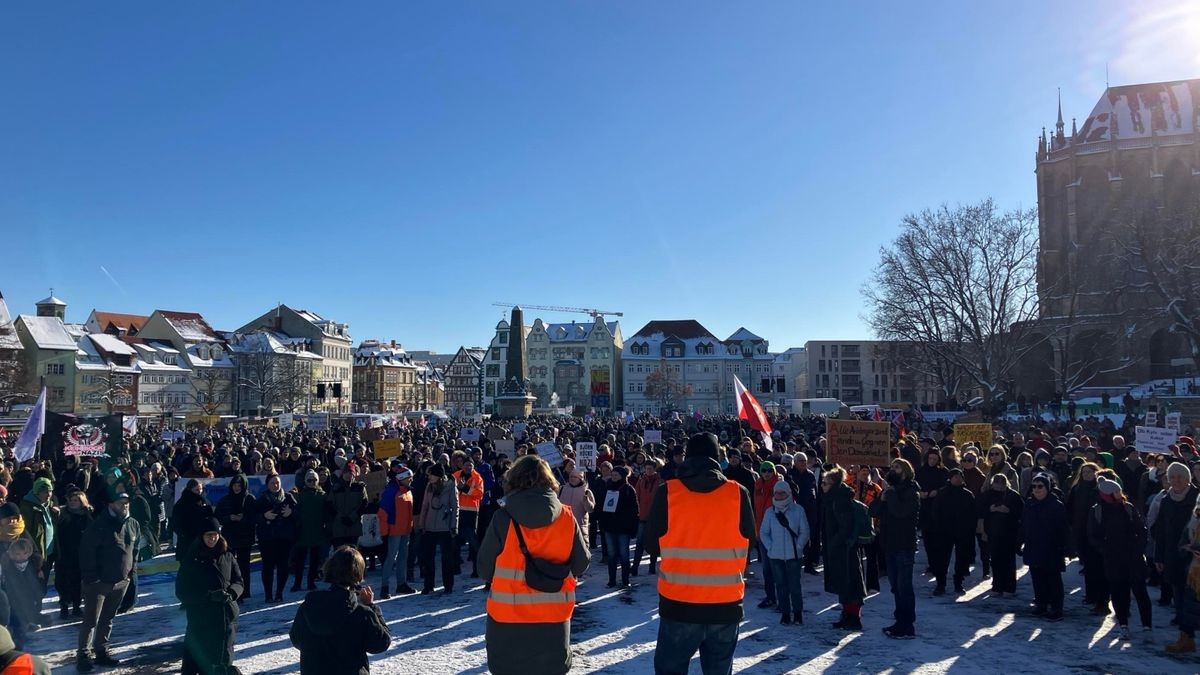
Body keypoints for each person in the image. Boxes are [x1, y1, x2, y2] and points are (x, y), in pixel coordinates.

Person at [645, 433, 755, 675]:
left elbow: (650, 546)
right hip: (726, 605)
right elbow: (751, 542)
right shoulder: (738, 493)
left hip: (679, 604)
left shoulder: (668, 492)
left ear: (688, 458)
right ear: (718, 459)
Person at [477, 455, 590, 675]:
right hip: (553, 617)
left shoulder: (503, 517)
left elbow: (484, 569)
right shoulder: (566, 517)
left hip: (508, 617)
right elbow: (581, 564)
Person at [289, 545, 391, 675]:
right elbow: (381, 643)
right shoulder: (361, 613)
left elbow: (296, 639)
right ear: (358, 574)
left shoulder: (309, 606)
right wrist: (372, 607)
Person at [76, 492, 139, 673]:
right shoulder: (99, 525)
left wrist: (130, 573)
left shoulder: (133, 524)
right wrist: (92, 577)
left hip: (121, 581)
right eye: (121, 503)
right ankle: (83, 655)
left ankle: (101, 650)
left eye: (127, 503)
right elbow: (86, 553)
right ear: (111, 505)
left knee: (108, 619)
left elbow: (134, 551)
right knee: (90, 620)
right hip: (98, 583)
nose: (125, 506)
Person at [175, 518, 242, 675]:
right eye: (208, 535)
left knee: (224, 659)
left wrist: (232, 593)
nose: (212, 538)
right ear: (201, 537)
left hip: (226, 617)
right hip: (201, 619)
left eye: (215, 535)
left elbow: (239, 581)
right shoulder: (191, 559)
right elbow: (182, 591)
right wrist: (209, 596)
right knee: (199, 660)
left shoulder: (227, 556)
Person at [1089, 477, 1152, 639]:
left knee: (1141, 593)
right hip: (1113, 559)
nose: (1119, 494)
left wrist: (1138, 549)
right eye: (1115, 491)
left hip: (1134, 557)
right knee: (1118, 593)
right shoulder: (1097, 510)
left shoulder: (1128, 508)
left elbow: (1142, 530)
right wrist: (1105, 550)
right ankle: (1123, 624)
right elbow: (1094, 535)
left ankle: (1147, 626)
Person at [871, 458, 920, 639]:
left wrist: (889, 496)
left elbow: (900, 512)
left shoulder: (911, 491)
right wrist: (882, 498)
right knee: (895, 587)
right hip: (889, 544)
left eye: (897, 467)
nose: (893, 469)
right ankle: (901, 620)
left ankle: (907, 625)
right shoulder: (890, 491)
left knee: (904, 586)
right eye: (892, 467)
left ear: (906, 471)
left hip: (904, 544)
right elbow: (873, 511)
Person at [1155, 463, 1199, 643]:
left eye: (1180, 476)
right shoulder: (1166, 499)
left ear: (1187, 478)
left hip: (1194, 556)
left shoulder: (1197, 497)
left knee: (1193, 596)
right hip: (1172, 553)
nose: (1176, 480)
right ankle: (1185, 634)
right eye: (1172, 477)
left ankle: (1188, 629)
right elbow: (1160, 531)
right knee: (1178, 593)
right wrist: (1158, 556)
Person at [760, 480, 809, 625]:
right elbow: (764, 532)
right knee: (781, 586)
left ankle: (798, 613)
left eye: (782, 493)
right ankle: (785, 613)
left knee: (795, 586)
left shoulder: (798, 510)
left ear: (788, 493)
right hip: (776, 556)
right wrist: (771, 547)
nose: (779, 495)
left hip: (794, 555)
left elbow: (804, 531)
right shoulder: (770, 512)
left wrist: (799, 546)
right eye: (777, 493)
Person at [1021, 473, 1067, 621]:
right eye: (1034, 486)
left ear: (1047, 487)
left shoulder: (1056, 505)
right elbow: (1023, 525)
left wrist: (1063, 547)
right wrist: (1019, 542)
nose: (1036, 489)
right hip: (1033, 546)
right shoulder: (1029, 503)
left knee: (1053, 579)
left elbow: (1063, 529)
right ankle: (1041, 603)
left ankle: (1056, 608)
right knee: (1037, 577)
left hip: (1051, 547)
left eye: (1040, 486)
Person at [930, 468, 977, 595]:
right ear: (950, 478)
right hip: (944, 531)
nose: (957, 479)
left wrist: (970, 530)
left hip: (963, 531)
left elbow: (973, 514)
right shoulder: (942, 493)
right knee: (942, 559)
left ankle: (958, 583)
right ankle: (940, 584)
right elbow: (935, 512)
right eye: (955, 476)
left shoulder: (968, 495)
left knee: (962, 558)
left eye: (959, 476)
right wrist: (938, 528)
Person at [1067, 462, 1106, 611]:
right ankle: (1090, 595)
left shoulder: (1100, 489)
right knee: (1088, 566)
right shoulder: (1077, 489)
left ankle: (1100, 597)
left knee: (1098, 566)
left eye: (1090, 472)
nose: (1087, 475)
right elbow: (1070, 508)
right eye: (1084, 473)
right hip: (1081, 531)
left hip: (1097, 532)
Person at [415, 464, 459, 594]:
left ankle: (448, 585)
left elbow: (455, 507)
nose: (429, 477)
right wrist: (422, 524)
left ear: (438, 476)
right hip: (429, 527)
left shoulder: (450, 487)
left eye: (431, 474)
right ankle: (428, 585)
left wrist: (454, 526)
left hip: (445, 527)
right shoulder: (429, 487)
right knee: (428, 558)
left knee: (447, 558)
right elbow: (425, 506)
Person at [255, 473, 297, 603]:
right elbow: (253, 516)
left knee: (283, 566)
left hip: (284, 537)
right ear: (267, 484)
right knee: (268, 566)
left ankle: (279, 593)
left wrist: (291, 513)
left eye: (277, 483)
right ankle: (268, 594)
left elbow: (299, 514)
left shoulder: (288, 497)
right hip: (267, 538)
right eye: (273, 483)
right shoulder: (262, 499)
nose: (275, 485)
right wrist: (264, 516)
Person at [979, 473, 1023, 597]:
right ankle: (997, 585)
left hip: (1009, 532)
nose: (998, 487)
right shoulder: (987, 495)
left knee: (1008, 560)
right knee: (996, 560)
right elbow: (980, 510)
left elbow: (1021, 512)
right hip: (993, 532)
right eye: (996, 484)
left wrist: (1009, 511)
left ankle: (1009, 587)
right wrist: (990, 509)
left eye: (1000, 484)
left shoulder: (1013, 495)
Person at [215, 474, 256, 602]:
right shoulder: (225, 500)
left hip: (245, 537)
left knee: (244, 566)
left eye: (239, 486)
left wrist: (243, 519)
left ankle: (245, 591)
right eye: (235, 485)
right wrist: (229, 518)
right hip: (230, 538)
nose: (237, 488)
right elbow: (218, 517)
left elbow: (255, 517)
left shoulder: (250, 499)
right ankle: (231, 590)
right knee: (229, 566)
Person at [596, 466, 639, 589]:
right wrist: (603, 524)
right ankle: (612, 580)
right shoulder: (607, 488)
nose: (613, 477)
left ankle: (625, 580)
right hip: (610, 527)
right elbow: (601, 507)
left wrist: (632, 528)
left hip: (623, 529)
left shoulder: (628, 489)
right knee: (611, 554)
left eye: (616, 475)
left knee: (624, 555)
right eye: (612, 475)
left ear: (622, 476)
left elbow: (635, 510)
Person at [377, 467, 416, 598]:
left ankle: (401, 583)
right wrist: (384, 531)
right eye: (408, 477)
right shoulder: (391, 491)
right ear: (400, 478)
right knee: (390, 558)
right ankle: (384, 586)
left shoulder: (408, 490)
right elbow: (383, 512)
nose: (411, 479)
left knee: (403, 557)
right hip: (394, 530)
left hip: (405, 529)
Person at [55, 487, 93, 619]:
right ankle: (64, 607)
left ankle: (77, 607)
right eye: (71, 500)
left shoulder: (87, 515)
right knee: (63, 581)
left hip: (81, 553)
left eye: (76, 500)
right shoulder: (62, 514)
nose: (73, 502)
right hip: (65, 553)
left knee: (78, 581)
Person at [293, 469, 331, 592]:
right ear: (305, 481)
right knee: (300, 560)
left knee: (315, 560)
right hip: (302, 531)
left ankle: (311, 582)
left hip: (317, 531)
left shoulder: (323, 495)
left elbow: (327, 512)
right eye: (309, 480)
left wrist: (326, 526)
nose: (312, 482)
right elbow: (296, 512)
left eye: (314, 480)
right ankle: (297, 582)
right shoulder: (300, 496)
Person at [2, 538, 42, 649]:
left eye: (24, 554)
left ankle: (24, 631)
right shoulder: (7, 565)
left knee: (24, 616)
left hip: (28, 596)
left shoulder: (33, 564)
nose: (21, 557)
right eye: (18, 554)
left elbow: (36, 584)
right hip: (13, 596)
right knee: (16, 621)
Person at [18, 477, 56, 587]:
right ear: (37, 493)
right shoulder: (28, 508)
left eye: (50, 491)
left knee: (43, 584)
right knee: (36, 587)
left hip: (49, 552)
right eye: (45, 492)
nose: (48, 495)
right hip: (37, 554)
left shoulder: (50, 505)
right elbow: (25, 533)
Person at [752, 462, 781, 608]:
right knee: (766, 567)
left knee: (778, 566)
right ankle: (770, 596)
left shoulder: (780, 485)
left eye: (770, 470)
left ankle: (782, 597)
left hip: (777, 531)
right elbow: (755, 509)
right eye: (764, 470)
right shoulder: (757, 485)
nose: (767, 473)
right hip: (762, 530)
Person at [452, 459, 484, 577]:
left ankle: (477, 569)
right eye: (466, 465)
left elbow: (480, 494)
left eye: (470, 465)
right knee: (455, 541)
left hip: (471, 513)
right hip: (457, 511)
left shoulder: (477, 477)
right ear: (462, 466)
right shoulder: (455, 475)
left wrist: (464, 488)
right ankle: (455, 567)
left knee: (473, 542)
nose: (468, 467)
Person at [173, 479, 215, 562]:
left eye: (200, 489)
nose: (199, 491)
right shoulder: (182, 503)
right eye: (196, 489)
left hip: (202, 539)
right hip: (187, 540)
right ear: (190, 489)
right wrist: (183, 534)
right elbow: (176, 522)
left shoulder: (204, 500)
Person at [631, 459, 660, 576]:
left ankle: (652, 566)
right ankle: (635, 567)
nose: (648, 471)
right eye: (646, 469)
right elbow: (636, 496)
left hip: (654, 517)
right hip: (642, 516)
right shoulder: (641, 481)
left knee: (653, 543)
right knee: (639, 543)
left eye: (650, 469)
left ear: (654, 470)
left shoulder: (659, 482)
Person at [557, 469, 595, 552]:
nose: (572, 479)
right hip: (563, 526)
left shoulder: (587, 491)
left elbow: (590, 510)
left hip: (580, 527)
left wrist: (587, 501)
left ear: (580, 478)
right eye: (571, 477)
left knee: (580, 551)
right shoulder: (562, 489)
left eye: (575, 477)